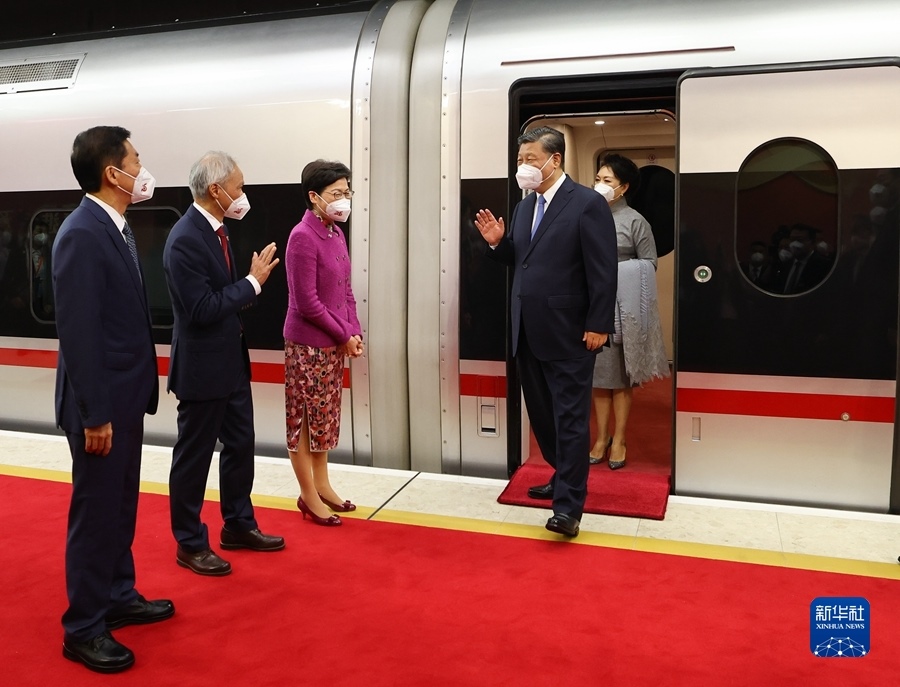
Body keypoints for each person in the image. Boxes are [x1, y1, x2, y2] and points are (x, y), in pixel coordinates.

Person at [52, 126, 174, 673]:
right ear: (113, 173)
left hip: (125, 399)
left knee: (121, 505)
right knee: (96, 514)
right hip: (101, 408)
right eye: (136, 160)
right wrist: (94, 414)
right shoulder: (82, 233)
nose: (142, 170)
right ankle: (83, 627)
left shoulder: (115, 227)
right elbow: (79, 332)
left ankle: (118, 595)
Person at [474, 126, 617, 537]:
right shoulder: (524, 207)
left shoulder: (587, 203)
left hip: (570, 332)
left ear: (555, 160)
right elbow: (525, 261)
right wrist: (499, 245)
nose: (524, 166)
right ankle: (562, 473)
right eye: (520, 160)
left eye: (531, 159)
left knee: (570, 418)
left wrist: (598, 323)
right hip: (527, 330)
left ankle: (568, 508)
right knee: (543, 417)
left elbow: (603, 269)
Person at [163, 151, 284, 576]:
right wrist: (252, 283)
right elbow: (200, 308)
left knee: (240, 444)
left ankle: (238, 524)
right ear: (216, 190)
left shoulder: (218, 231)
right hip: (202, 370)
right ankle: (190, 542)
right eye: (238, 187)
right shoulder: (184, 238)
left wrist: (245, 286)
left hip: (230, 364)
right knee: (194, 457)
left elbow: (220, 297)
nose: (242, 194)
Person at [283, 160, 364, 526]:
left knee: (324, 418)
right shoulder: (302, 236)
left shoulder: (335, 233)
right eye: (337, 193)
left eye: (347, 192)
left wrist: (354, 332)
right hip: (307, 346)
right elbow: (307, 303)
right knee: (303, 421)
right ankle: (308, 495)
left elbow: (345, 290)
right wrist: (344, 335)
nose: (344, 199)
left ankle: (323, 485)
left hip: (332, 344)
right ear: (314, 197)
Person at [589, 154, 669, 470]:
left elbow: (649, 263)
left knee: (620, 379)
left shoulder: (635, 221)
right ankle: (601, 437)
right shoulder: (585, 214)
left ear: (623, 188)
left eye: (607, 180)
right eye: (597, 179)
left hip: (623, 310)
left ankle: (619, 438)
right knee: (598, 377)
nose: (599, 185)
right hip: (592, 305)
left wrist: (614, 271)